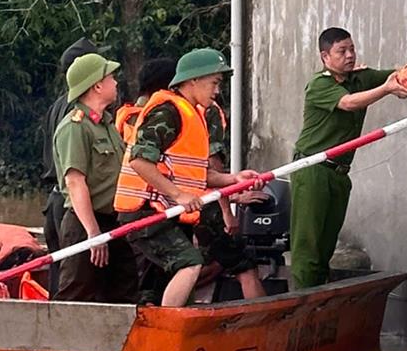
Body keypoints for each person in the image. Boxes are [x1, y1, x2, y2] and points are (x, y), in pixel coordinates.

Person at [114, 48, 263, 306]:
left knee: (169, 274)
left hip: (170, 210)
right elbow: (139, 160)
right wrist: (178, 195)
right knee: (190, 263)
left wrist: (233, 179)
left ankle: (167, 322)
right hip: (146, 210)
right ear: (193, 80)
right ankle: (170, 331)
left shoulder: (194, 113)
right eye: (214, 82)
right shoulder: (168, 112)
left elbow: (194, 174)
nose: (218, 90)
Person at [290, 28, 407, 289]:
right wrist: (386, 89)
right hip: (313, 169)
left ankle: (319, 300)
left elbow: (401, 76)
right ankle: (300, 304)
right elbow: (348, 103)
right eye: (342, 51)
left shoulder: (360, 78)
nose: (350, 55)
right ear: (325, 56)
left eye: (352, 49)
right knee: (307, 247)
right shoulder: (319, 84)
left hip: (339, 173)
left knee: (326, 246)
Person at [52, 53, 139, 303]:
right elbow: (75, 181)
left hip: (114, 221)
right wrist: (93, 233)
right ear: (97, 86)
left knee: (125, 288)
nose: (116, 83)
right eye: (111, 78)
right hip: (85, 223)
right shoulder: (75, 127)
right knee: (78, 293)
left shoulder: (107, 125)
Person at [41, 37, 101, 296]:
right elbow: (76, 176)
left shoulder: (56, 107)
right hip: (73, 204)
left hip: (56, 199)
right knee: (77, 282)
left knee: (61, 277)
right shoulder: (79, 112)